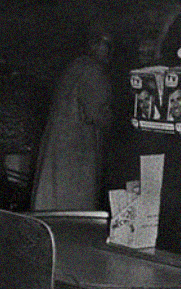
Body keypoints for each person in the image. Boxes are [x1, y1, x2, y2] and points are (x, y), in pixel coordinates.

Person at [31, 29, 114, 211]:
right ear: (93, 45)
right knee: (73, 207)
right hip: (77, 152)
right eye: (104, 44)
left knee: (54, 202)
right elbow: (96, 114)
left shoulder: (74, 67)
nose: (108, 50)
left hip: (63, 148)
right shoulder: (93, 71)